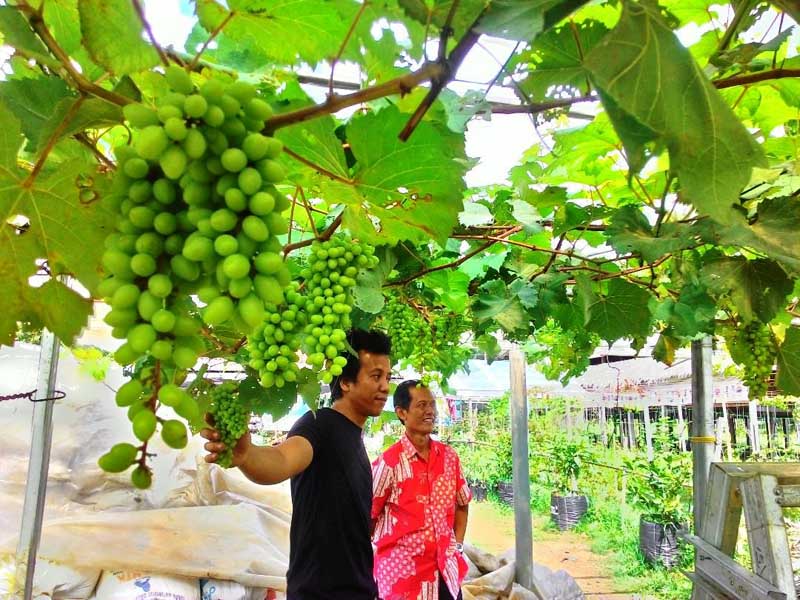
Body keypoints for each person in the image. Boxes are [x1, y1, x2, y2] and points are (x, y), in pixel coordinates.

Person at [201, 328, 392, 600]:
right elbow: (281, 459)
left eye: (387, 377)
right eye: (376, 376)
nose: (385, 386)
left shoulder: (352, 435)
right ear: (346, 382)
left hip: (356, 591)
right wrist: (247, 456)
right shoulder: (319, 426)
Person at [371, 380, 471, 600]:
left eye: (432, 405)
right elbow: (367, 518)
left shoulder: (449, 458)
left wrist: (458, 546)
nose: (430, 411)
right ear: (402, 413)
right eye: (422, 405)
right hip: (402, 581)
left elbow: (462, 503)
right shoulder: (388, 464)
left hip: (446, 576)